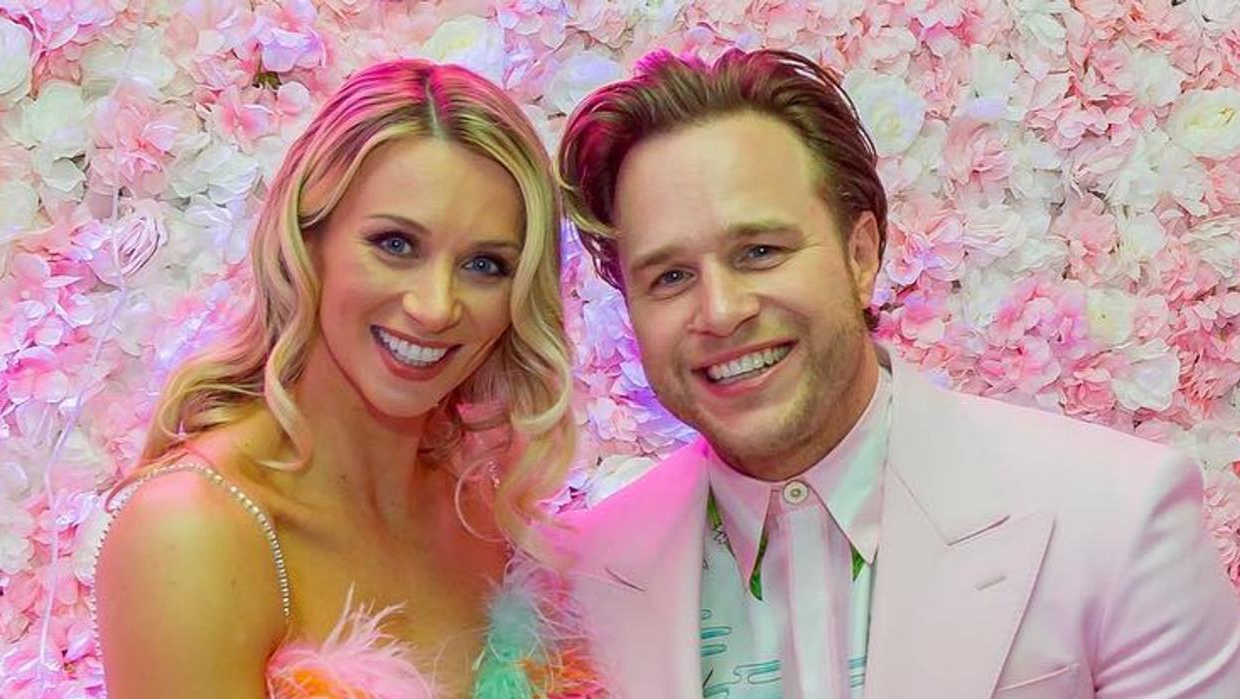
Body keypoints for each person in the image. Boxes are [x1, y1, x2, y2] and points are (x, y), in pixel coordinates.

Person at [554, 48, 1240, 698]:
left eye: (760, 250)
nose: (722, 310)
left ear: (861, 254)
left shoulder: (1117, 517)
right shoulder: (582, 579)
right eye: (670, 276)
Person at [92, 59, 605, 698]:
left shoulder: (483, 505)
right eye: (395, 244)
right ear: (309, 241)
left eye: (484, 264)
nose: (435, 306)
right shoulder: (193, 532)